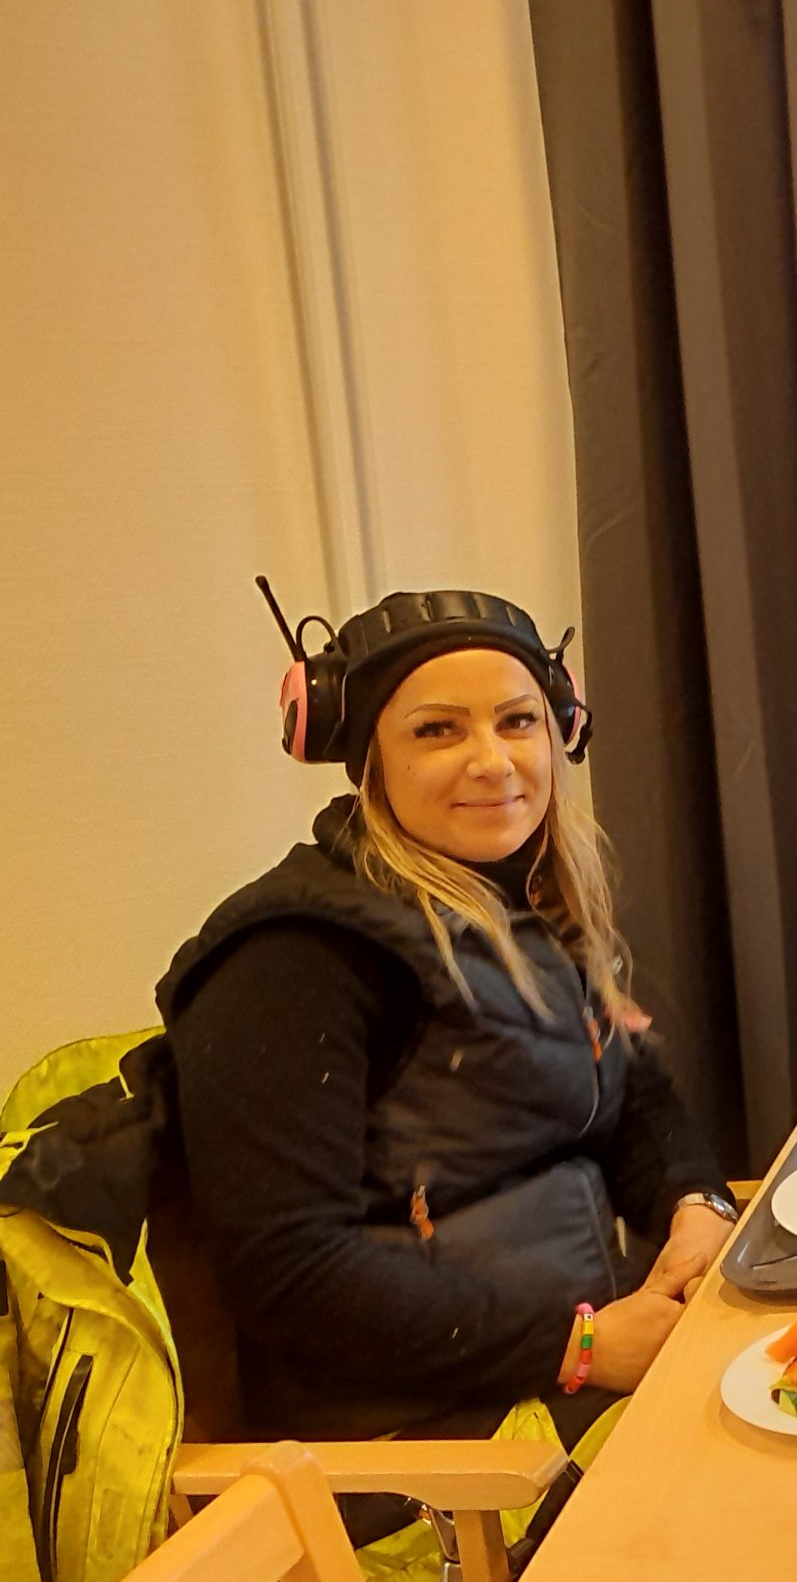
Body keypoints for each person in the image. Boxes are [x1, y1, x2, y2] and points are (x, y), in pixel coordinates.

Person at [162, 587, 736, 1446]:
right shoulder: (293, 956)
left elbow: (630, 1097)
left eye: (518, 721)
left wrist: (696, 1204)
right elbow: (288, 1273)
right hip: (429, 1453)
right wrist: (576, 1348)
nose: (494, 762)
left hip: (579, 1373)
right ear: (366, 756)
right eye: (438, 730)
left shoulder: (525, 903)